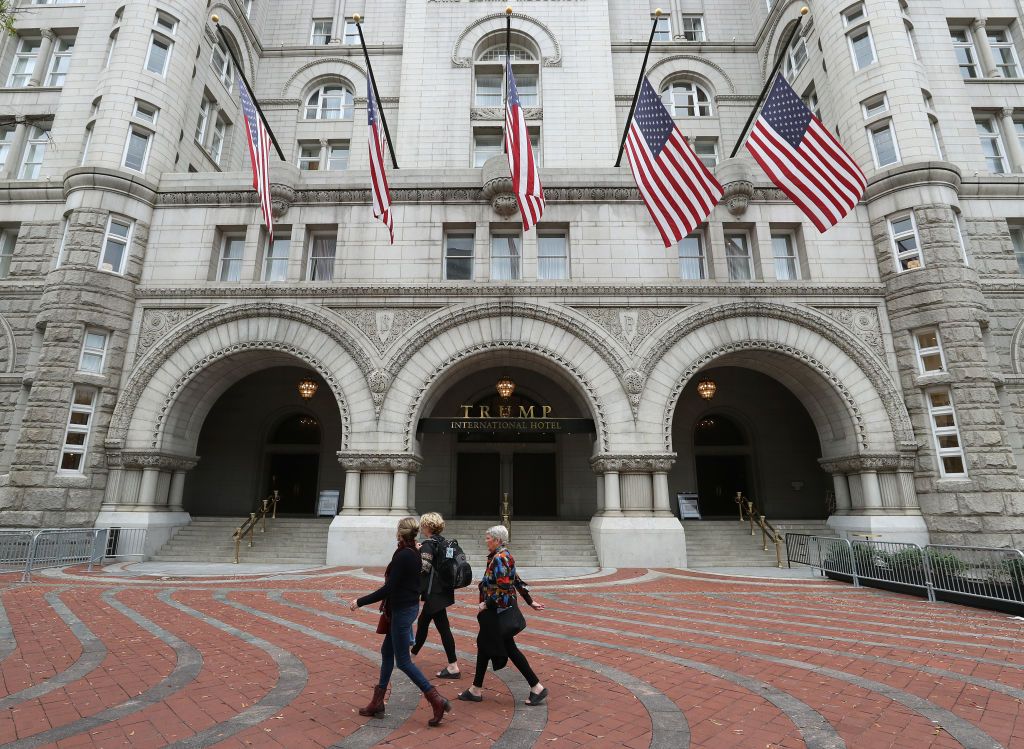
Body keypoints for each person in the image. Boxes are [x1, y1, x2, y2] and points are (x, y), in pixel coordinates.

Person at [349, 516, 451, 727]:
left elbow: (389, 588)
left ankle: (436, 699)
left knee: (403, 661)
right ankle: (377, 702)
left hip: (402, 610)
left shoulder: (405, 554)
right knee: (387, 653)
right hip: (403, 608)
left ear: (400, 532)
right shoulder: (413, 550)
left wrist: (360, 601)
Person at [458, 524, 548, 706]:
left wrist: (487, 603)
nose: (486, 541)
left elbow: (505, 587)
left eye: (488, 538)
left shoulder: (500, 558)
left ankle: (536, 687)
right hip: (497, 611)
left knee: (507, 649)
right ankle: (476, 689)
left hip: (496, 612)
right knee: (487, 646)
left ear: (497, 540)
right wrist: (530, 601)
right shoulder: (503, 556)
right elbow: (516, 580)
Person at [411, 512, 461, 678]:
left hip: (434, 593)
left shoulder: (428, 544)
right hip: (444, 590)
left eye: (422, 525)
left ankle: (452, 666)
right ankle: (413, 656)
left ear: (427, 527)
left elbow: (423, 568)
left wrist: (418, 553)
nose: (421, 528)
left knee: (437, 626)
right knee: (431, 624)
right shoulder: (444, 542)